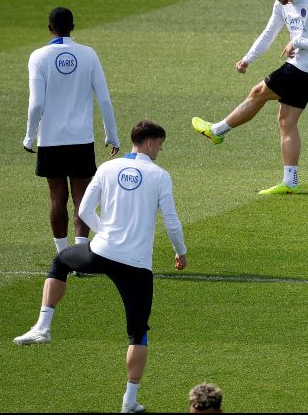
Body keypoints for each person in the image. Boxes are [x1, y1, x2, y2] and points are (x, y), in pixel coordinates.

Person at [14, 120, 188, 414]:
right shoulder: (160, 175)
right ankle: (129, 402)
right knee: (138, 333)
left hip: (101, 251)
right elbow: (171, 221)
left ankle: (43, 327)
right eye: (160, 143)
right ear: (149, 142)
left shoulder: (107, 169)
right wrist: (180, 252)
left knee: (60, 262)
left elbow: (83, 210)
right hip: (136, 265)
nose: (161, 148)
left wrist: (103, 232)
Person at [192, 0, 308, 195]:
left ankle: (216, 131)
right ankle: (290, 181)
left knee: (258, 92)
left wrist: (298, 42)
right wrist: (248, 58)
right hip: (306, 70)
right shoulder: (282, 4)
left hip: (305, 69)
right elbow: (269, 33)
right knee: (286, 122)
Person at [23, 6, 121, 254]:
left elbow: (36, 103)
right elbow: (105, 99)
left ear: (49, 28)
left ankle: (62, 254)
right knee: (82, 199)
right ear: (73, 27)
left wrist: (29, 136)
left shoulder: (38, 56)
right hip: (81, 140)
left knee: (57, 198)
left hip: (50, 141)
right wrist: (111, 134)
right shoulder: (88, 54)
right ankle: (80, 253)